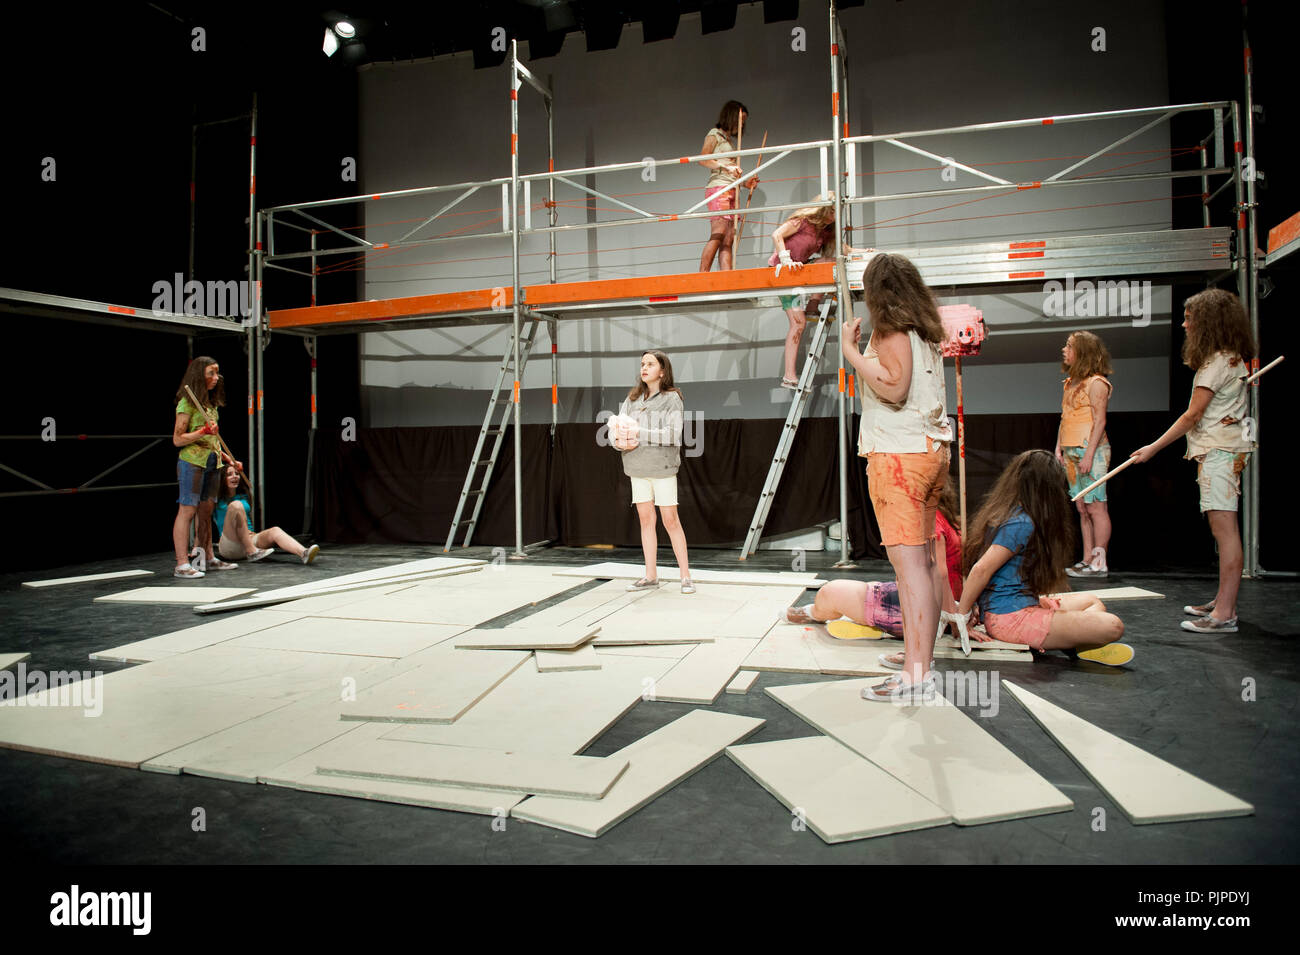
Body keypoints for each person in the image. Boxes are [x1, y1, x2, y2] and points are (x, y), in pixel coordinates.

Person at [840, 252, 953, 702]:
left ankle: (916, 674)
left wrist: (851, 352)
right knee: (922, 566)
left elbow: (893, 386)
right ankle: (917, 657)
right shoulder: (923, 331)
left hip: (900, 458)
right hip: (928, 451)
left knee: (910, 574)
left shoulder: (891, 331)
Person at [1130, 288, 1256, 633]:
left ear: (1208, 322)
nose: (1185, 324)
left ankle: (1225, 613)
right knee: (1222, 532)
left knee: (1225, 531)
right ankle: (1222, 600)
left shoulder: (1217, 363)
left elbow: (1192, 415)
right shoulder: (1227, 358)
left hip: (1220, 452)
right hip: (1222, 451)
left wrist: (1152, 448)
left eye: (1191, 318)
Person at [784, 479, 986, 668]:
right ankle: (832, 615)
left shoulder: (930, 523)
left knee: (829, 593)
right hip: (928, 601)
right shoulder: (950, 521)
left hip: (925, 609)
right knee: (864, 588)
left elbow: (940, 574)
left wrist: (956, 617)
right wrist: (964, 608)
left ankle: (814, 613)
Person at [956, 450, 1130, 663]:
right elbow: (981, 570)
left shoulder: (1019, 515)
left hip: (1019, 607)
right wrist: (961, 619)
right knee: (1112, 625)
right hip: (1009, 618)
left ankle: (1074, 644)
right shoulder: (1020, 523)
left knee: (1093, 603)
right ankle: (1072, 642)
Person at [613, 351, 694, 594]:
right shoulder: (633, 398)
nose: (644, 368)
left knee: (670, 520)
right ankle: (650, 575)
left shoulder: (672, 398)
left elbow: (672, 435)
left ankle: (686, 577)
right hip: (637, 468)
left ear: (662, 370)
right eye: (642, 364)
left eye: (650, 364)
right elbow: (617, 428)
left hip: (662, 469)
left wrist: (639, 431)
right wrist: (618, 441)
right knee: (646, 520)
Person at [1055, 331, 1114, 578]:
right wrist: (1058, 447)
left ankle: (1099, 561)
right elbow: (1064, 417)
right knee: (1081, 507)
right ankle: (1087, 558)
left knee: (1096, 507)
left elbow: (1100, 421)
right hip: (1070, 449)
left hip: (1092, 449)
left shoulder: (1097, 382)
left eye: (1069, 346)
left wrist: (1089, 454)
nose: (1064, 350)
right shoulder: (1070, 383)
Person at [172, 357, 235, 578]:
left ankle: (205, 557)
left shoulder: (209, 403)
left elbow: (214, 441)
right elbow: (178, 439)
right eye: (211, 373)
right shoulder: (186, 403)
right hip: (192, 462)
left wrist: (228, 459)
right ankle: (182, 564)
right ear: (200, 375)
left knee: (206, 512)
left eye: (217, 373)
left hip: (212, 461)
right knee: (187, 510)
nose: (216, 378)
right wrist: (202, 432)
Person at [213, 464, 320, 565]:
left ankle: (303, 553)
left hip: (250, 539)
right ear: (221, 479)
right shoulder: (215, 499)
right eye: (229, 474)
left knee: (275, 530)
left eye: (237, 473)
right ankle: (251, 551)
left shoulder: (244, 496)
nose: (235, 476)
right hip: (230, 546)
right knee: (236, 505)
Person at [698, 100, 749, 272]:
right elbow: (703, 159)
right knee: (719, 231)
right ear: (732, 116)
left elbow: (731, 171)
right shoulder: (715, 134)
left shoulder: (729, 141)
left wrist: (746, 182)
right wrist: (725, 166)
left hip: (732, 188)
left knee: (728, 238)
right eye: (740, 120)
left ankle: (726, 278)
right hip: (719, 188)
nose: (742, 124)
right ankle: (703, 275)